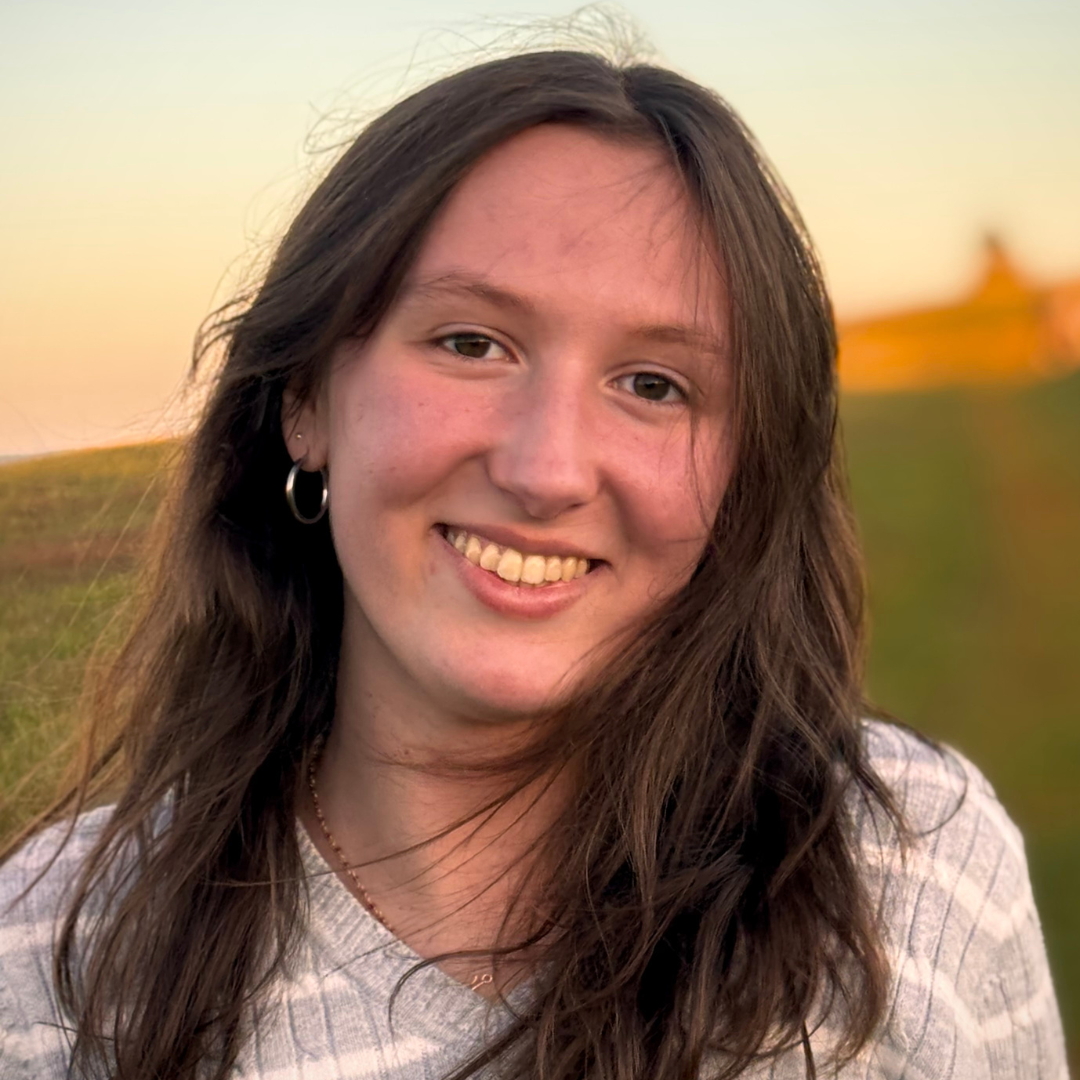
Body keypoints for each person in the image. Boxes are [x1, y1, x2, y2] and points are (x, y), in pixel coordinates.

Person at [0, 49, 1068, 1080]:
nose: (548, 469)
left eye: (654, 385)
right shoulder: (43, 963)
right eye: (472, 343)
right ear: (305, 399)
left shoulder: (917, 872)